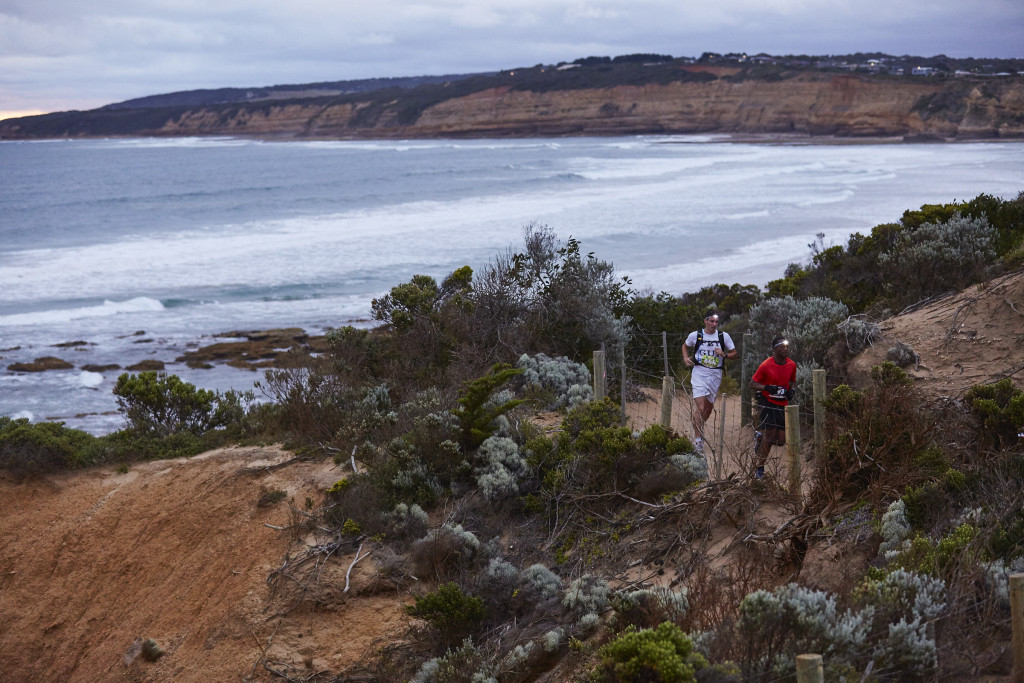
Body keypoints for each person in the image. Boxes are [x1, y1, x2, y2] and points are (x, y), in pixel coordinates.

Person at [682, 311, 737, 456]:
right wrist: (685, 358)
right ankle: (698, 439)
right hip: (699, 372)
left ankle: (698, 425)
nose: (714, 324)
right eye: (711, 321)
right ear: (705, 321)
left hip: (715, 375)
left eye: (716, 322)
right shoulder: (696, 335)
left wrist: (724, 354)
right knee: (700, 407)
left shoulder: (723, 336)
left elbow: (734, 354)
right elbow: (685, 346)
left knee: (707, 409)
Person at [749, 337, 797, 479]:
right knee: (770, 438)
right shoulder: (765, 365)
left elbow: (792, 382)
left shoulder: (792, 365)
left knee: (781, 441)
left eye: (787, 347)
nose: (785, 349)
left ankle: (760, 438)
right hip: (767, 402)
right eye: (782, 347)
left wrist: (791, 391)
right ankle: (760, 468)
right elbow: (752, 383)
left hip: (782, 405)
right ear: (775, 349)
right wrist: (766, 387)